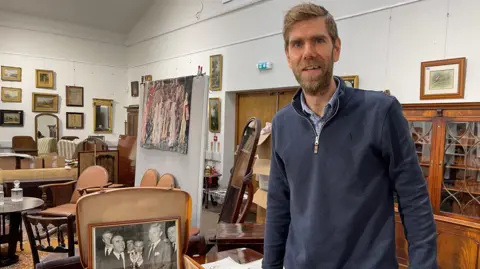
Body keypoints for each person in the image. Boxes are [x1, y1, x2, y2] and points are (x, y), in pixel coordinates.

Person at [262, 3, 438, 269]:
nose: (308, 52)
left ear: (336, 48)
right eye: (297, 44)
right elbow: (278, 207)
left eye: (318, 40)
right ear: (288, 56)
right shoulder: (283, 123)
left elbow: (414, 199)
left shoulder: (380, 112)